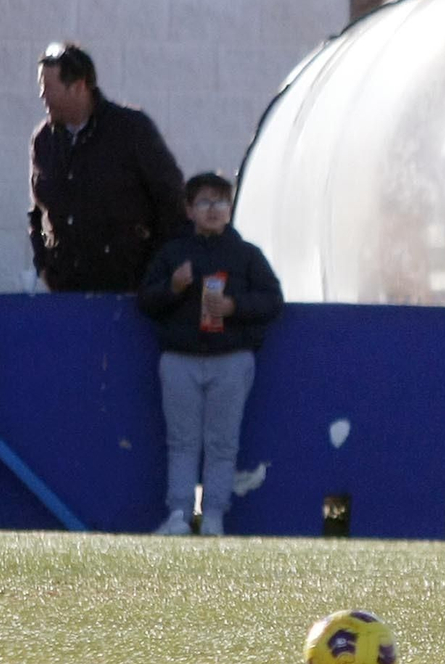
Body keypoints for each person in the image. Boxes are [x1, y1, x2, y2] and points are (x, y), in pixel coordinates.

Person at [137, 172, 283, 536]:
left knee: (222, 443)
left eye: (220, 202)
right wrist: (173, 287)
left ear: (230, 208)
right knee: (182, 442)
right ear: (189, 210)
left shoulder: (247, 255)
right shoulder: (173, 254)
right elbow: (146, 300)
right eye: (204, 202)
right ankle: (179, 514)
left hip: (231, 358)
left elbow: (272, 300)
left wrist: (235, 306)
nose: (213, 209)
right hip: (180, 358)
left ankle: (214, 516)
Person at [30, 41, 185, 292]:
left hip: (127, 286)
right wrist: (44, 266)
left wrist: (158, 272)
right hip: (67, 289)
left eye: (48, 87)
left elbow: (171, 199)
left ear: (78, 86)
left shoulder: (131, 130)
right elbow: (37, 212)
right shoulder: (44, 140)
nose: (42, 96)